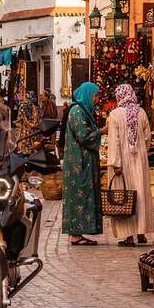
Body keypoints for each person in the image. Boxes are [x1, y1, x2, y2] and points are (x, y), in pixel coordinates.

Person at [106, 83, 154, 246]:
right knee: (140, 192)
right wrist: (141, 151)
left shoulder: (114, 115)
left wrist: (115, 162)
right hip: (140, 160)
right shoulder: (141, 112)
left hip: (122, 161)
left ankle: (128, 236)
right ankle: (141, 233)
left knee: (125, 195)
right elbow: (148, 137)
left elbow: (114, 140)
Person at [62, 82, 103, 246]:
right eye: (95, 95)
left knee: (82, 194)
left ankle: (78, 232)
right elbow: (84, 136)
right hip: (78, 163)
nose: (97, 99)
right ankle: (75, 233)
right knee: (79, 194)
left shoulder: (82, 110)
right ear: (87, 94)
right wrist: (102, 131)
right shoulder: (77, 111)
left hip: (82, 161)